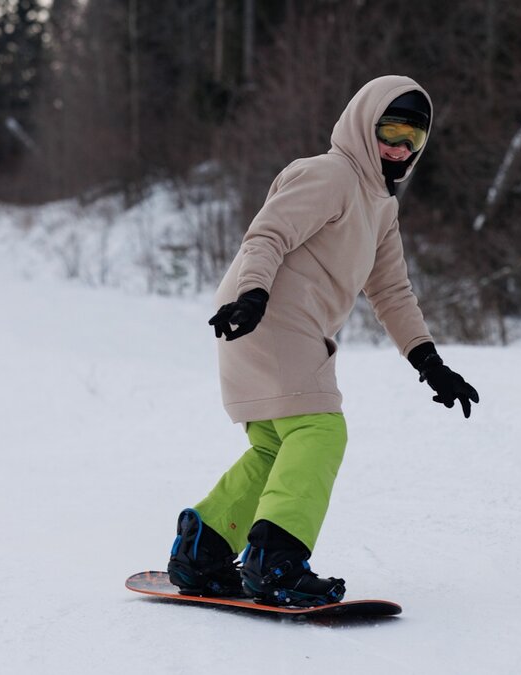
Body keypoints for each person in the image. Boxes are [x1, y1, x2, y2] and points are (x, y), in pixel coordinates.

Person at [167, 75, 479, 607]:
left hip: (272, 320)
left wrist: (430, 363)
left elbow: (392, 293)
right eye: (392, 130)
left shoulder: (380, 205)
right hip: (263, 315)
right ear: (364, 124)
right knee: (320, 430)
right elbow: (267, 234)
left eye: (413, 139)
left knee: (275, 444)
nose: (400, 148)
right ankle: (276, 561)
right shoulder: (331, 174)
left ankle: (204, 547)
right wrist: (253, 296)